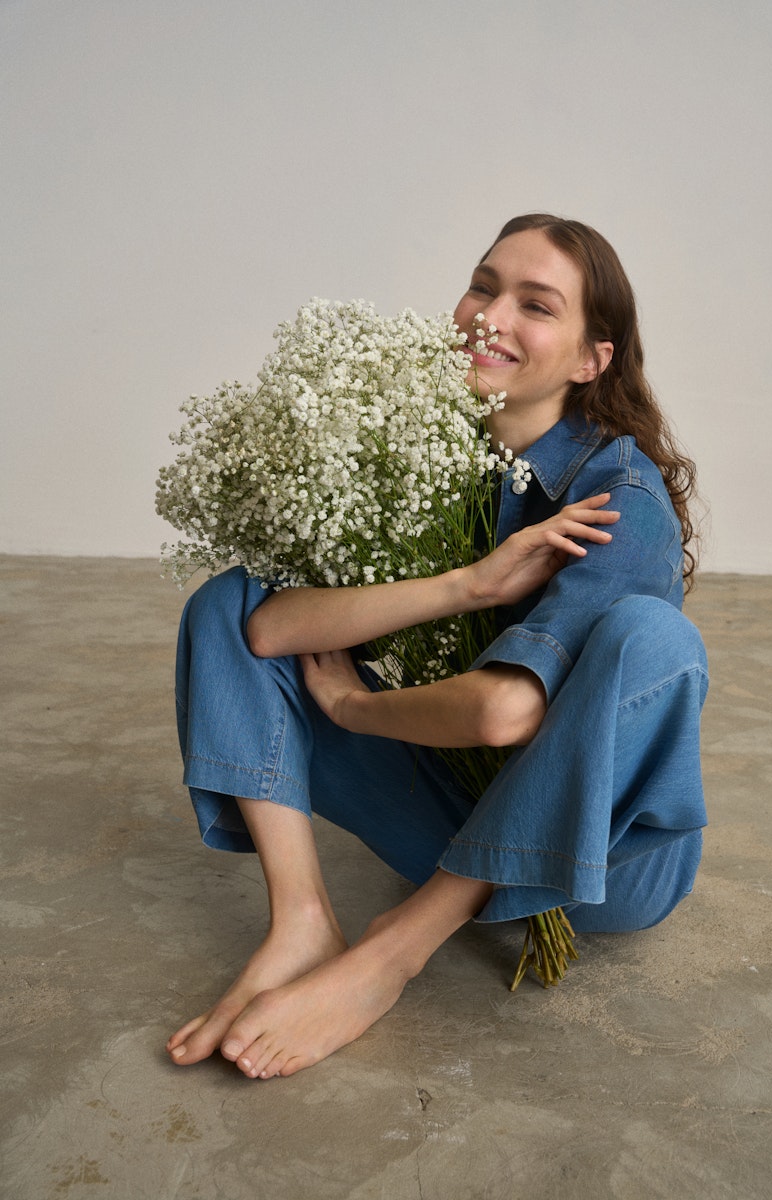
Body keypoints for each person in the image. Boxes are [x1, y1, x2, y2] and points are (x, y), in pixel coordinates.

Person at [166, 214, 708, 1080]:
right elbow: (264, 630)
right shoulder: (419, 452)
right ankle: (300, 921)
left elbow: (503, 714)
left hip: (600, 871)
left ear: (589, 359)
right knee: (228, 600)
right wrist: (468, 585)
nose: (490, 316)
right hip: (447, 819)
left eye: (535, 305)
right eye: (482, 287)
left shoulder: (620, 498)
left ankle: (392, 953)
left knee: (651, 639)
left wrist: (355, 708)